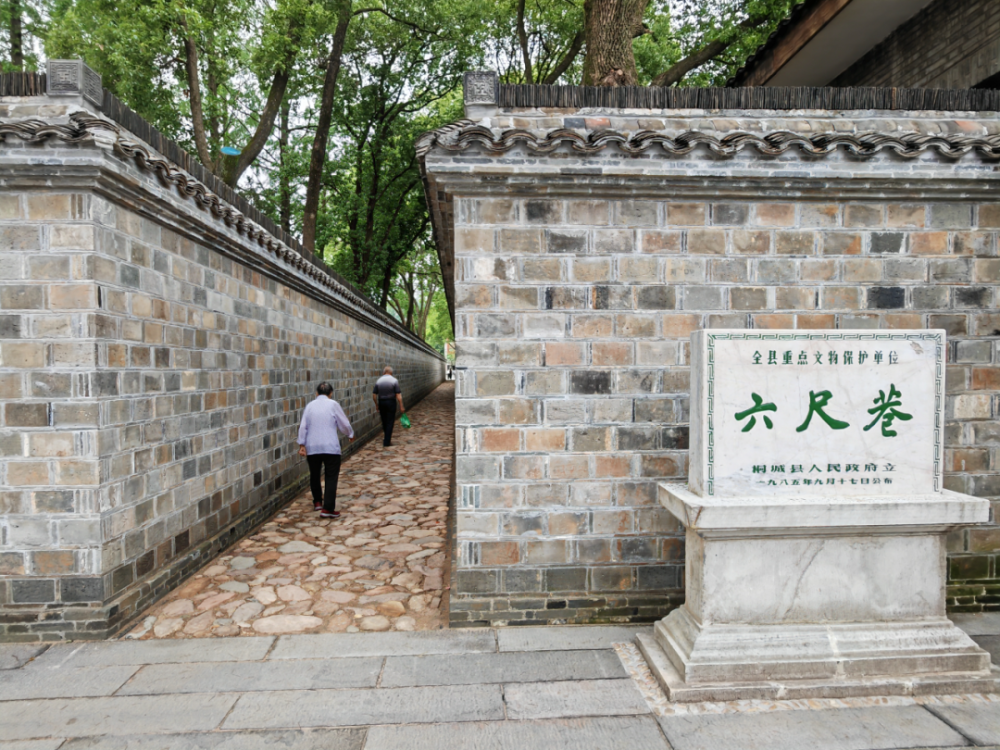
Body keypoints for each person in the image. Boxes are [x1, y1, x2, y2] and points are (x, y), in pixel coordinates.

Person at [297, 382, 354, 519]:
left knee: (314, 474)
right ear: (331, 393)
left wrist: (302, 444)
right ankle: (327, 508)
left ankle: (317, 501)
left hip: (313, 446)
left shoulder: (310, 406)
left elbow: (303, 426)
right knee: (331, 476)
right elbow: (344, 423)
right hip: (330, 447)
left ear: (316, 393)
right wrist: (350, 434)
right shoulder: (333, 404)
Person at [372, 366, 405, 447]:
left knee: (384, 421)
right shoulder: (394, 381)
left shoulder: (379, 381)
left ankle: (386, 438)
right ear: (391, 373)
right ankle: (386, 441)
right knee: (390, 421)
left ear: (383, 372)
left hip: (381, 402)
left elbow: (374, 395)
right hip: (391, 402)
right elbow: (398, 394)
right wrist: (401, 405)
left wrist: (376, 404)